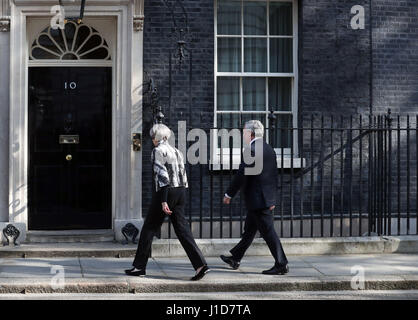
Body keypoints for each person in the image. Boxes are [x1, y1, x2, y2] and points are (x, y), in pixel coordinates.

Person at [125, 123, 210, 281]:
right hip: (180, 191)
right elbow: (183, 175)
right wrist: (179, 197)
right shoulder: (177, 151)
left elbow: (162, 177)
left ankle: (139, 267)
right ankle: (200, 265)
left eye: (153, 136)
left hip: (165, 193)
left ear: (159, 137)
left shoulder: (157, 151)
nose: (152, 139)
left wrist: (164, 201)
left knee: (149, 228)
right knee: (183, 230)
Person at [220, 120, 289, 275]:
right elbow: (273, 176)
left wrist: (229, 194)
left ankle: (281, 263)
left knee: (268, 232)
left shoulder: (251, 150)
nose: (243, 135)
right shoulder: (269, 149)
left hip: (258, 200)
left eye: (244, 132)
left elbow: (241, 175)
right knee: (249, 231)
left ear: (250, 133)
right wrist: (272, 199)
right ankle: (235, 258)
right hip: (262, 199)